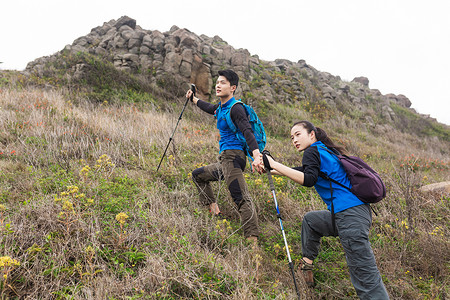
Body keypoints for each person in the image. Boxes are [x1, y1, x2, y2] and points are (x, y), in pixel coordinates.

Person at [261, 120, 389, 299]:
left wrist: (274, 164)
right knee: (311, 221)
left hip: (349, 215)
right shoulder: (323, 150)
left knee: (365, 278)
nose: (294, 140)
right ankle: (307, 266)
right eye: (291, 137)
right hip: (353, 214)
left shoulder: (312, 151)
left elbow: (308, 179)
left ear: (311, 134)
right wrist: (270, 169)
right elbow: (304, 171)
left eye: (298, 134)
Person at [186, 69, 264, 245]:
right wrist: (194, 99)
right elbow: (209, 107)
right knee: (198, 175)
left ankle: (252, 243)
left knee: (241, 198)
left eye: (223, 83)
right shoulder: (221, 108)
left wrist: (257, 155)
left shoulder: (236, 108)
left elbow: (247, 131)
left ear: (233, 87)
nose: (218, 85)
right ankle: (216, 212)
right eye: (217, 82)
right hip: (226, 161)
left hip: (233, 158)